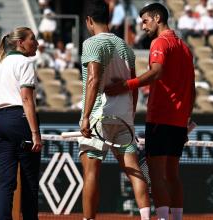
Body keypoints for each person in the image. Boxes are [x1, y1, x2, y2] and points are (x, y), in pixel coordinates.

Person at [105, 3, 195, 220]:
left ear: (157, 18)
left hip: (161, 117)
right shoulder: (184, 46)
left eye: (145, 21)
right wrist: (186, 119)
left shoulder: (160, 42)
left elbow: (156, 72)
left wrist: (126, 85)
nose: (143, 26)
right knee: (172, 175)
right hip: (178, 121)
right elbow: (192, 90)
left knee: (156, 175)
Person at [79, 1, 150, 219]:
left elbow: (93, 79)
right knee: (134, 171)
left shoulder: (92, 44)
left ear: (89, 21)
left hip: (98, 116)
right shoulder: (126, 48)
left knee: (91, 173)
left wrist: (85, 116)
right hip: (124, 116)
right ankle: (147, 217)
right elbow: (134, 86)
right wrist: (130, 116)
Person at [0, 26, 42, 220]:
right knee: (29, 182)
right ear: (21, 43)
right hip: (20, 121)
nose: (36, 43)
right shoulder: (24, 62)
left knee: (6, 182)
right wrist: (35, 133)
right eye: (33, 39)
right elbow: (27, 99)